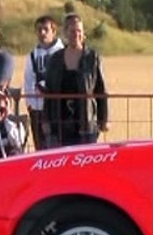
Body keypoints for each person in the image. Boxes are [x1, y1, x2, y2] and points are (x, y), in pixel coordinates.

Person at [44, 14, 108, 147]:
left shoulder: (92, 57)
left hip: (86, 120)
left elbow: (101, 90)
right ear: (65, 33)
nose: (76, 34)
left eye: (79, 31)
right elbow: (48, 92)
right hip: (60, 122)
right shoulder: (55, 59)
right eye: (72, 31)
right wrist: (46, 120)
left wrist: (104, 119)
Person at [23, 15, 63, 151]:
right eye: (39, 30)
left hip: (58, 109)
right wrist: (30, 105)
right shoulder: (32, 56)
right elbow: (28, 80)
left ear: (54, 31)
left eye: (46, 29)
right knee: (40, 148)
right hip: (37, 109)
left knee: (59, 148)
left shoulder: (62, 53)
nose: (42, 33)